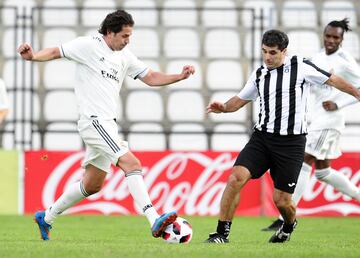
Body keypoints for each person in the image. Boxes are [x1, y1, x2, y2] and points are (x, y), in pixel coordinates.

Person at [18, 10, 195, 241]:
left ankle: (46, 217)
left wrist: (178, 77)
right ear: (110, 33)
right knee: (131, 163)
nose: (127, 40)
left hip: (107, 123)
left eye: (129, 36)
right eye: (124, 36)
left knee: (92, 184)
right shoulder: (88, 46)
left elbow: (150, 77)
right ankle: (154, 219)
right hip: (93, 121)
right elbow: (55, 51)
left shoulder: (124, 56)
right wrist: (33, 57)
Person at [204, 29, 360, 244]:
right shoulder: (259, 73)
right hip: (262, 139)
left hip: (291, 144)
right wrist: (223, 107)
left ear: (284, 51)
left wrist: (356, 92)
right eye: (264, 52)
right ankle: (221, 234)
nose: (267, 57)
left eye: (273, 53)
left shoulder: (301, 67)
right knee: (235, 179)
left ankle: (288, 225)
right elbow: (239, 100)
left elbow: (332, 80)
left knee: (282, 201)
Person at [263, 18, 360, 232]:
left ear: (342, 39)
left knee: (305, 158)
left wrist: (338, 102)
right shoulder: (317, 57)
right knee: (323, 172)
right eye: (328, 36)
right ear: (323, 35)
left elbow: (358, 88)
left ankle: (285, 216)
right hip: (316, 119)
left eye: (336, 37)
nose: (331, 40)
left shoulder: (346, 61)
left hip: (330, 120)